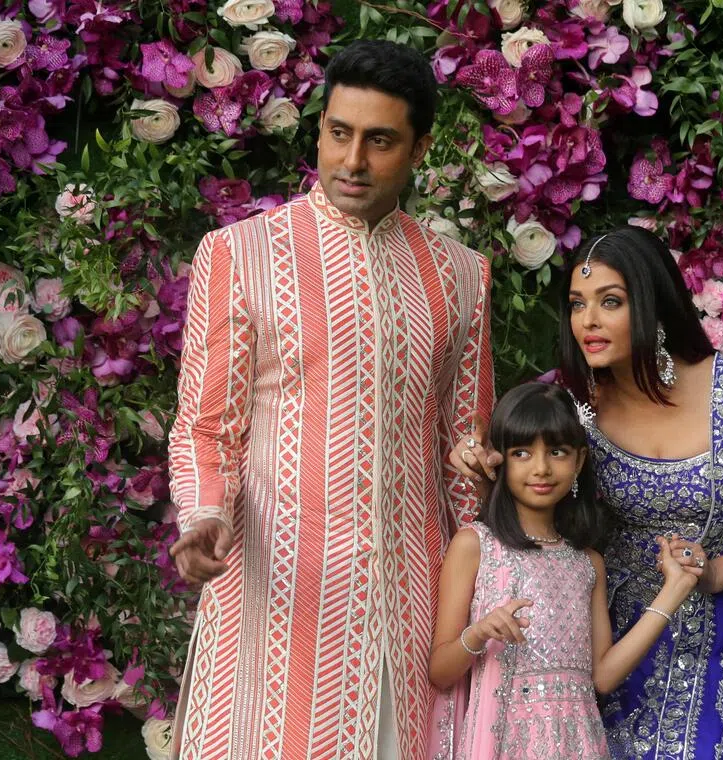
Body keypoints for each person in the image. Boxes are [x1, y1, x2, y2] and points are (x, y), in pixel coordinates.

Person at [167, 40, 494, 760]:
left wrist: (483, 584)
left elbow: (465, 448)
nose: (352, 161)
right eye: (339, 134)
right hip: (279, 602)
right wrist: (205, 515)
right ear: (318, 130)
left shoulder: (462, 275)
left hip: (413, 607)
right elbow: (206, 426)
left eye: (379, 142)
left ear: (419, 148)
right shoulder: (238, 255)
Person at [453, 226, 723, 760]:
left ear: (650, 304)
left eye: (611, 302)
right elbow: (528, 480)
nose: (589, 322)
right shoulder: (569, 403)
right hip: (616, 636)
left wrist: (719, 570)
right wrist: (486, 469)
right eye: (578, 304)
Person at [428, 383, 698, 759]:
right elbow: (440, 671)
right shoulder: (476, 545)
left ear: (580, 461)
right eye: (522, 452)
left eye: (557, 452)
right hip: (505, 741)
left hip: (579, 743)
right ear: (499, 460)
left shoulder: (587, 562)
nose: (541, 468)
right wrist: (478, 633)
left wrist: (673, 590)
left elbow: (603, 677)